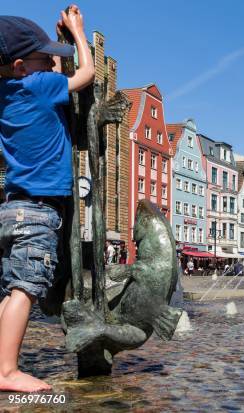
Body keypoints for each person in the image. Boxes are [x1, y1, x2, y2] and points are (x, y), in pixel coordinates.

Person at [0, 6, 95, 392]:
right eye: (45, 57)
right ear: (22, 65)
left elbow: (53, 72)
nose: (52, 63)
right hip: (39, 210)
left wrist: (58, 47)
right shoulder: (38, 86)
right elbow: (85, 74)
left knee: (10, 291)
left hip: (11, 207)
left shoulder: (11, 90)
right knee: (26, 289)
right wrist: (79, 34)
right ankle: (6, 371)